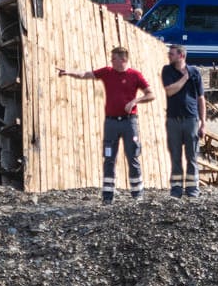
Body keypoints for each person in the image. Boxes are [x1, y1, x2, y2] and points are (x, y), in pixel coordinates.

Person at [58, 46, 155, 202]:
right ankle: (108, 196)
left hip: (130, 122)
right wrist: (69, 72)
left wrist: (135, 101)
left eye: (114, 58)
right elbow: (86, 74)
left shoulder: (135, 75)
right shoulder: (107, 72)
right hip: (111, 122)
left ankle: (137, 195)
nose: (111, 61)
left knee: (133, 156)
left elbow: (151, 94)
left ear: (123, 59)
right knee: (109, 157)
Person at [160, 44, 204, 198]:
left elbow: (201, 98)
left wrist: (203, 122)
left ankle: (192, 190)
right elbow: (170, 91)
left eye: (172, 54)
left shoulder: (195, 73)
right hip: (173, 120)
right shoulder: (167, 70)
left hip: (191, 120)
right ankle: (176, 190)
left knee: (192, 156)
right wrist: (185, 78)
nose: (169, 56)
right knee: (175, 156)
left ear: (181, 56)